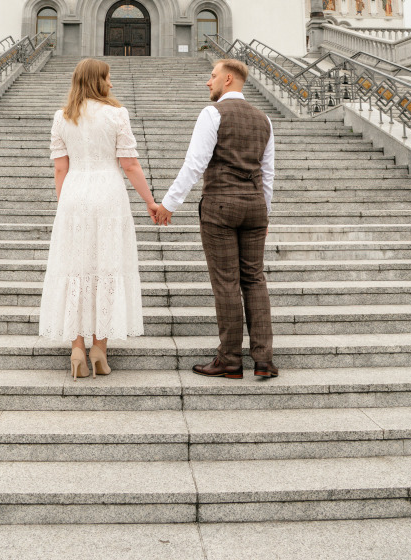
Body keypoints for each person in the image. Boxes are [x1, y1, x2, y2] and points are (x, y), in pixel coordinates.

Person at [156, 58, 277, 379]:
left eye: (212, 76)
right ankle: (264, 359)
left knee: (227, 282)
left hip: (221, 206)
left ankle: (230, 359)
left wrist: (169, 203)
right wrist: (264, 214)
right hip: (254, 209)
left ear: (227, 79)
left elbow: (195, 163)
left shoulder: (213, 113)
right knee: (255, 279)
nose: (207, 82)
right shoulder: (264, 119)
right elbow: (268, 174)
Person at [38, 59, 157, 379]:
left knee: (75, 267)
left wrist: (65, 204)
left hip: (75, 195)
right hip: (108, 195)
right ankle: (99, 350)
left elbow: (60, 168)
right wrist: (150, 201)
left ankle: (77, 347)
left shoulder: (62, 118)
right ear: (97, 81)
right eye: (108, 78)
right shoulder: (117, 115)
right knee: (107, 265)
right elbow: (130, 164)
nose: (112, 84)